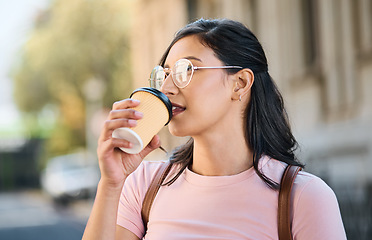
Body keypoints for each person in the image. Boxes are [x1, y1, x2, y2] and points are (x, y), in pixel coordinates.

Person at [82, 18, 347, 240]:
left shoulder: (303, 198)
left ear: (240, 83)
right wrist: (111, 183)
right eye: (164, 74)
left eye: (187, 70)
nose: (167, 89)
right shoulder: (144, 184)